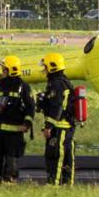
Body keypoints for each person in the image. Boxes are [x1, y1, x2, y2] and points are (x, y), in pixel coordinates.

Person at [0, 55, 35, 183]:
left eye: (4, 69)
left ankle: (9, 181)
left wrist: (27, 123)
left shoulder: (23, 87)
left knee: (12, 159)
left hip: (14, 132)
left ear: (11, 70)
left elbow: (30, 107)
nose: (2, 71)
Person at [38, 52, 76, 186]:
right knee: (61, 156)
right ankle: (64, 184)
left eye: (46, 67)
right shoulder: (57, 82)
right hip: (60, 126)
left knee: (57, 156)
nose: (44, 70)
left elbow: (57, 107)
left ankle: (54, 184)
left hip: (61, 127)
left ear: (52, 67)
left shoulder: (57, 84)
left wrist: (49, 126)